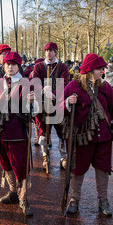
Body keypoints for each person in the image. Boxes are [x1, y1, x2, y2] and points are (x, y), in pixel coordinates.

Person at [64, 53, 113, 216]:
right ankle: (74, 199)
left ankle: (103, 200)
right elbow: (58, 109)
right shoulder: (72, 87)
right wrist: (67, 103)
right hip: (81, 137)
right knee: (78, 169)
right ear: (90, 70)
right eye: (100, 69)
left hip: (103, 137)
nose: (102, 71)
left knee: (103, 169)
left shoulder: (106, 87)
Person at [0, 52, 38, 215]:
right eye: (7, 64)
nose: (10, 67)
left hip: (18, 132)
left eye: (13, 65)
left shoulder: (26, 83)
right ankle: (13, 192)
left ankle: (24, 197)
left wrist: (31, 101)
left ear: (18, 66)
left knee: (20, 166)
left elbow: (34, 112)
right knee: (6, 164)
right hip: (0, 131)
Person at [32, 42, 69, 170]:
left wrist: (53, 94)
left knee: (63, 131)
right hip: (43, 104)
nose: (49, 53)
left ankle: (63, 157)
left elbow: (64, 84)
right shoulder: (38, 67)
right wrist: (43, 90)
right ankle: (44, 156)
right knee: (43, 131)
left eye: (51, 50)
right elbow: (35, 82)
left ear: (56, 52)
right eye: (47, 50)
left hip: (58, 104)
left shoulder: (63, 67)